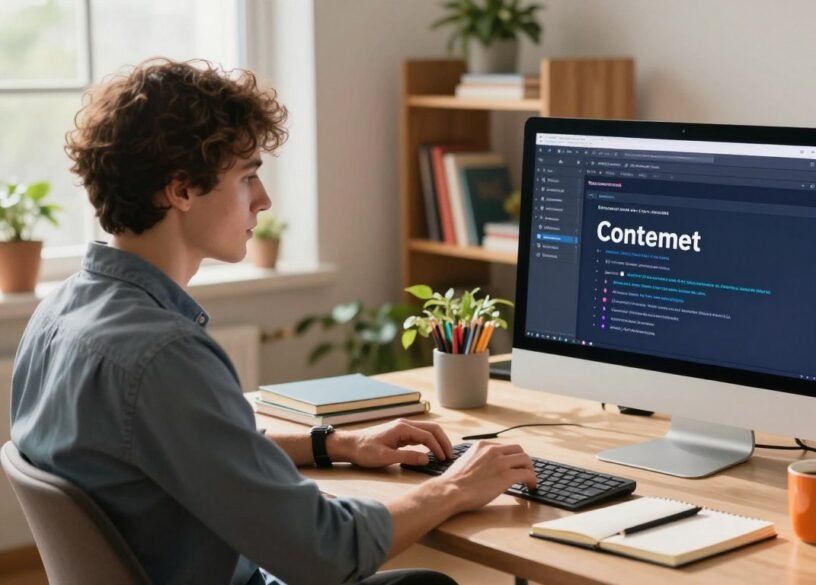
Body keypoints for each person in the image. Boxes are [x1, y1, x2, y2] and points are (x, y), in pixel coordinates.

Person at [9, 58, 537, 585]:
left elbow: (193, 454)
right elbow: (324, 553)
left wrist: (333, 444)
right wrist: (455, 487)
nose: (263, 201)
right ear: (181, 190)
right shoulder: (163, 354)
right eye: (248, 177)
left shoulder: (60, 313)